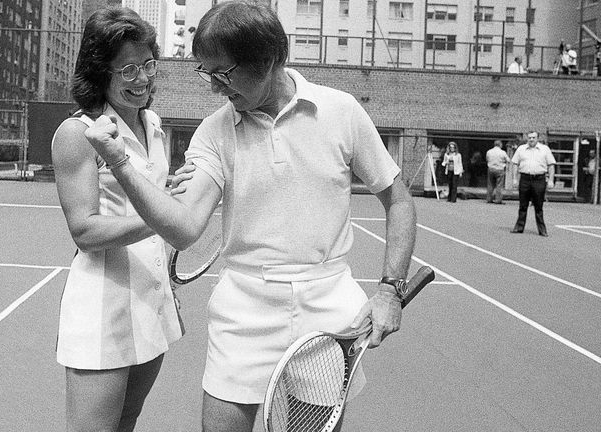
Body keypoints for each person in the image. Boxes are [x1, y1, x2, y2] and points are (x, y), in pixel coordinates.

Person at [82, 2, 417, 431]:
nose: (216, 87)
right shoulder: (214, 131)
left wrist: (390, 289)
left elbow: (400, 201)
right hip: (243, 309)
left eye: (225, 73)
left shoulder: (342, 111)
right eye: (208, 73)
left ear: (271, 59)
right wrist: (120, 164)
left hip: (328, 305)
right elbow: (184, 229)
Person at [50, 8, 183, 431]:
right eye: (127, 69)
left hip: (152, 300)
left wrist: (173, 189)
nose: (142, 79)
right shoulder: (77, 133)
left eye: (147, 64)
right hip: (102, 308)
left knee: (127, 420)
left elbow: (147, 190)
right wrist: (165, 214)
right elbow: (85, 230)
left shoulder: (153, 124)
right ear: (98, 72)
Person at [510, 131, 556, 236]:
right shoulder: (521, 149)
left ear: (537, 138)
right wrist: (514, 179)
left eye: (533, 137)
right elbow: (515, 164)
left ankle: (542, 230)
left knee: (539, 206)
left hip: (539, 179)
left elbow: (551, 165)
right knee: (523, 205)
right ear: (527, 138)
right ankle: (519, 227)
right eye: (529, 137)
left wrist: (551, 180)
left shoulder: (545, 149)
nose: (531, 139)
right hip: (525, 178)